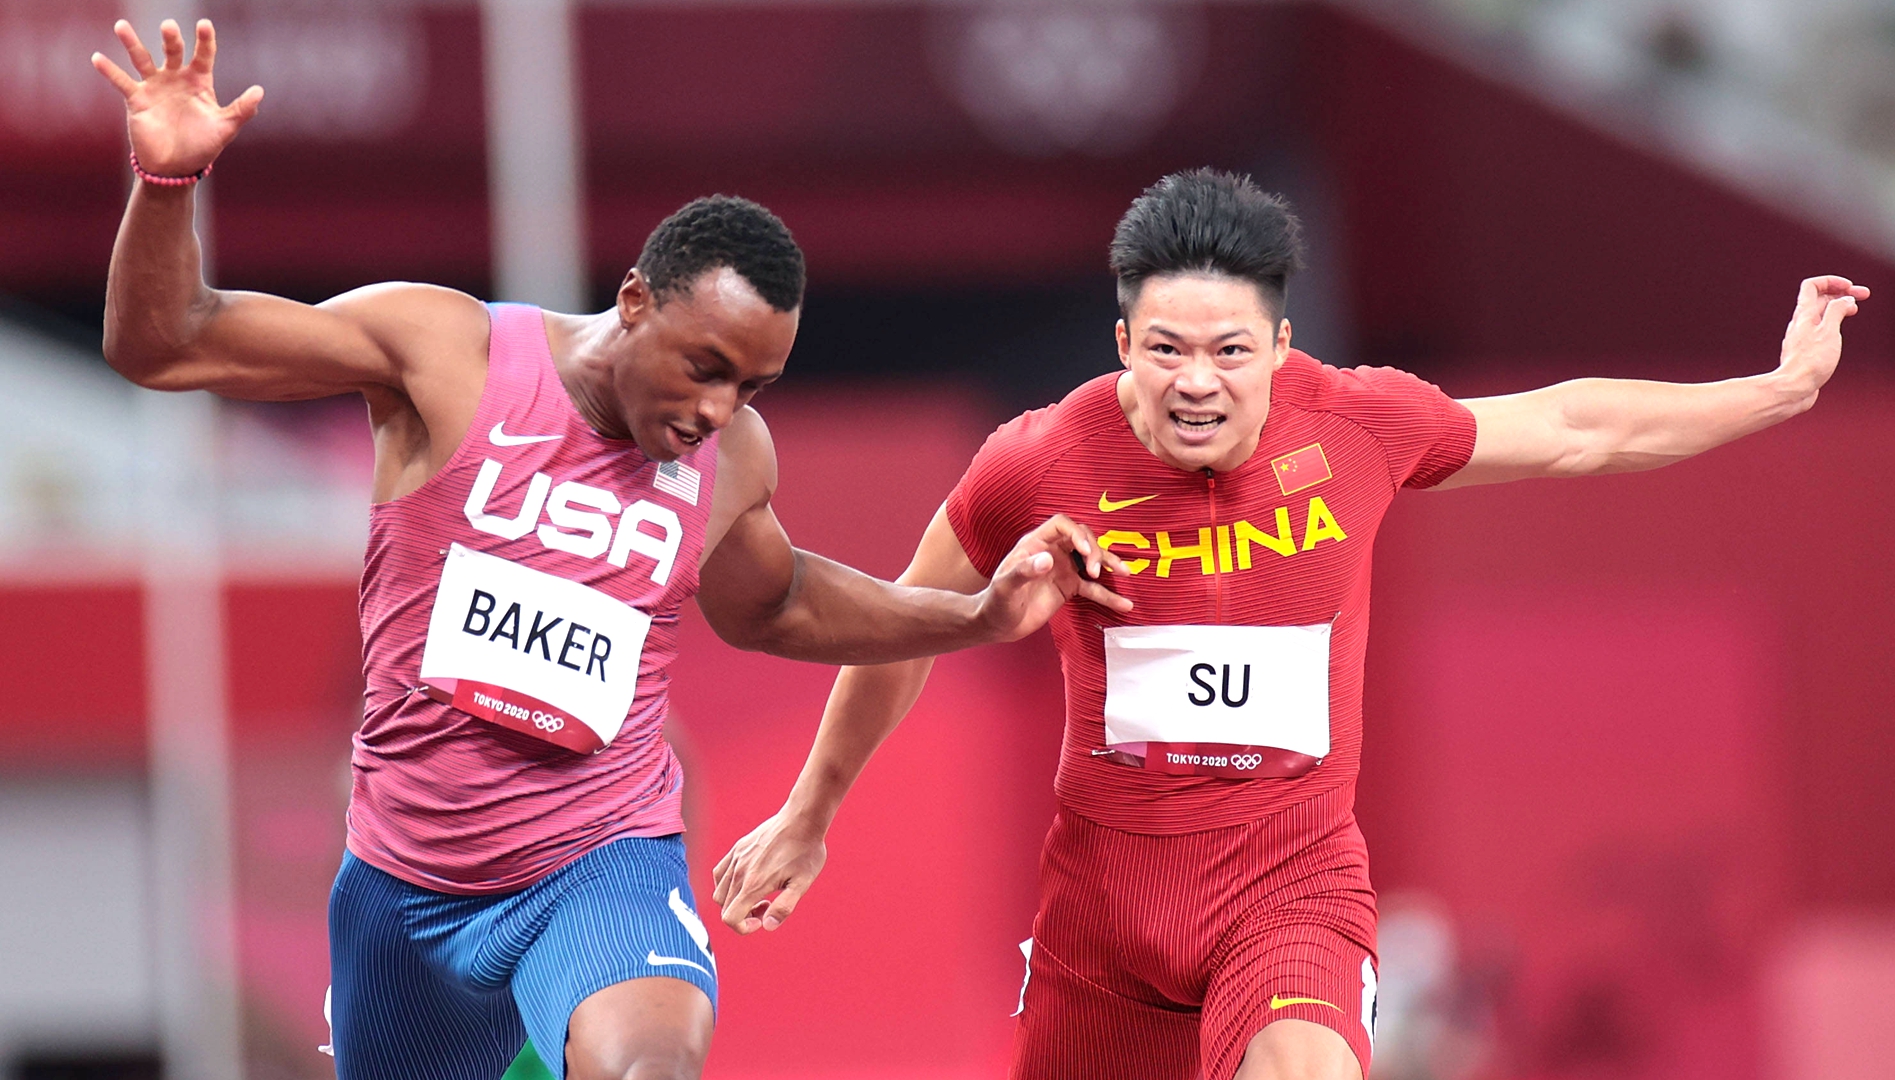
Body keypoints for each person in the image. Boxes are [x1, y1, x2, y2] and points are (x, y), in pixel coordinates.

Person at [90, 19, 1131, 1080]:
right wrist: (167, 187)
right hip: (403, 884)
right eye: (705, 365)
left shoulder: (731, 459)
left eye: (752, 387)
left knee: (651, 1069)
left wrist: (976, 618)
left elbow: (772, 606)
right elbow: (165, 341)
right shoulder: (445, 356)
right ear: (634, 299)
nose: (718, 409)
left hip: (597, 862)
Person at [712, 169, 1868, 1080]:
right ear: (1123, 345)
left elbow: (1577, 425)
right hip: (1102, 915)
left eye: (1228, 351)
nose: (1196, 383)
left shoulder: (1360, 423)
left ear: (1278, 345)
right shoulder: (1038, 459)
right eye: (1165, 350)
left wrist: (1771, 391)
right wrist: (810, 815)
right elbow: (907, 626)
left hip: (1290, 882)